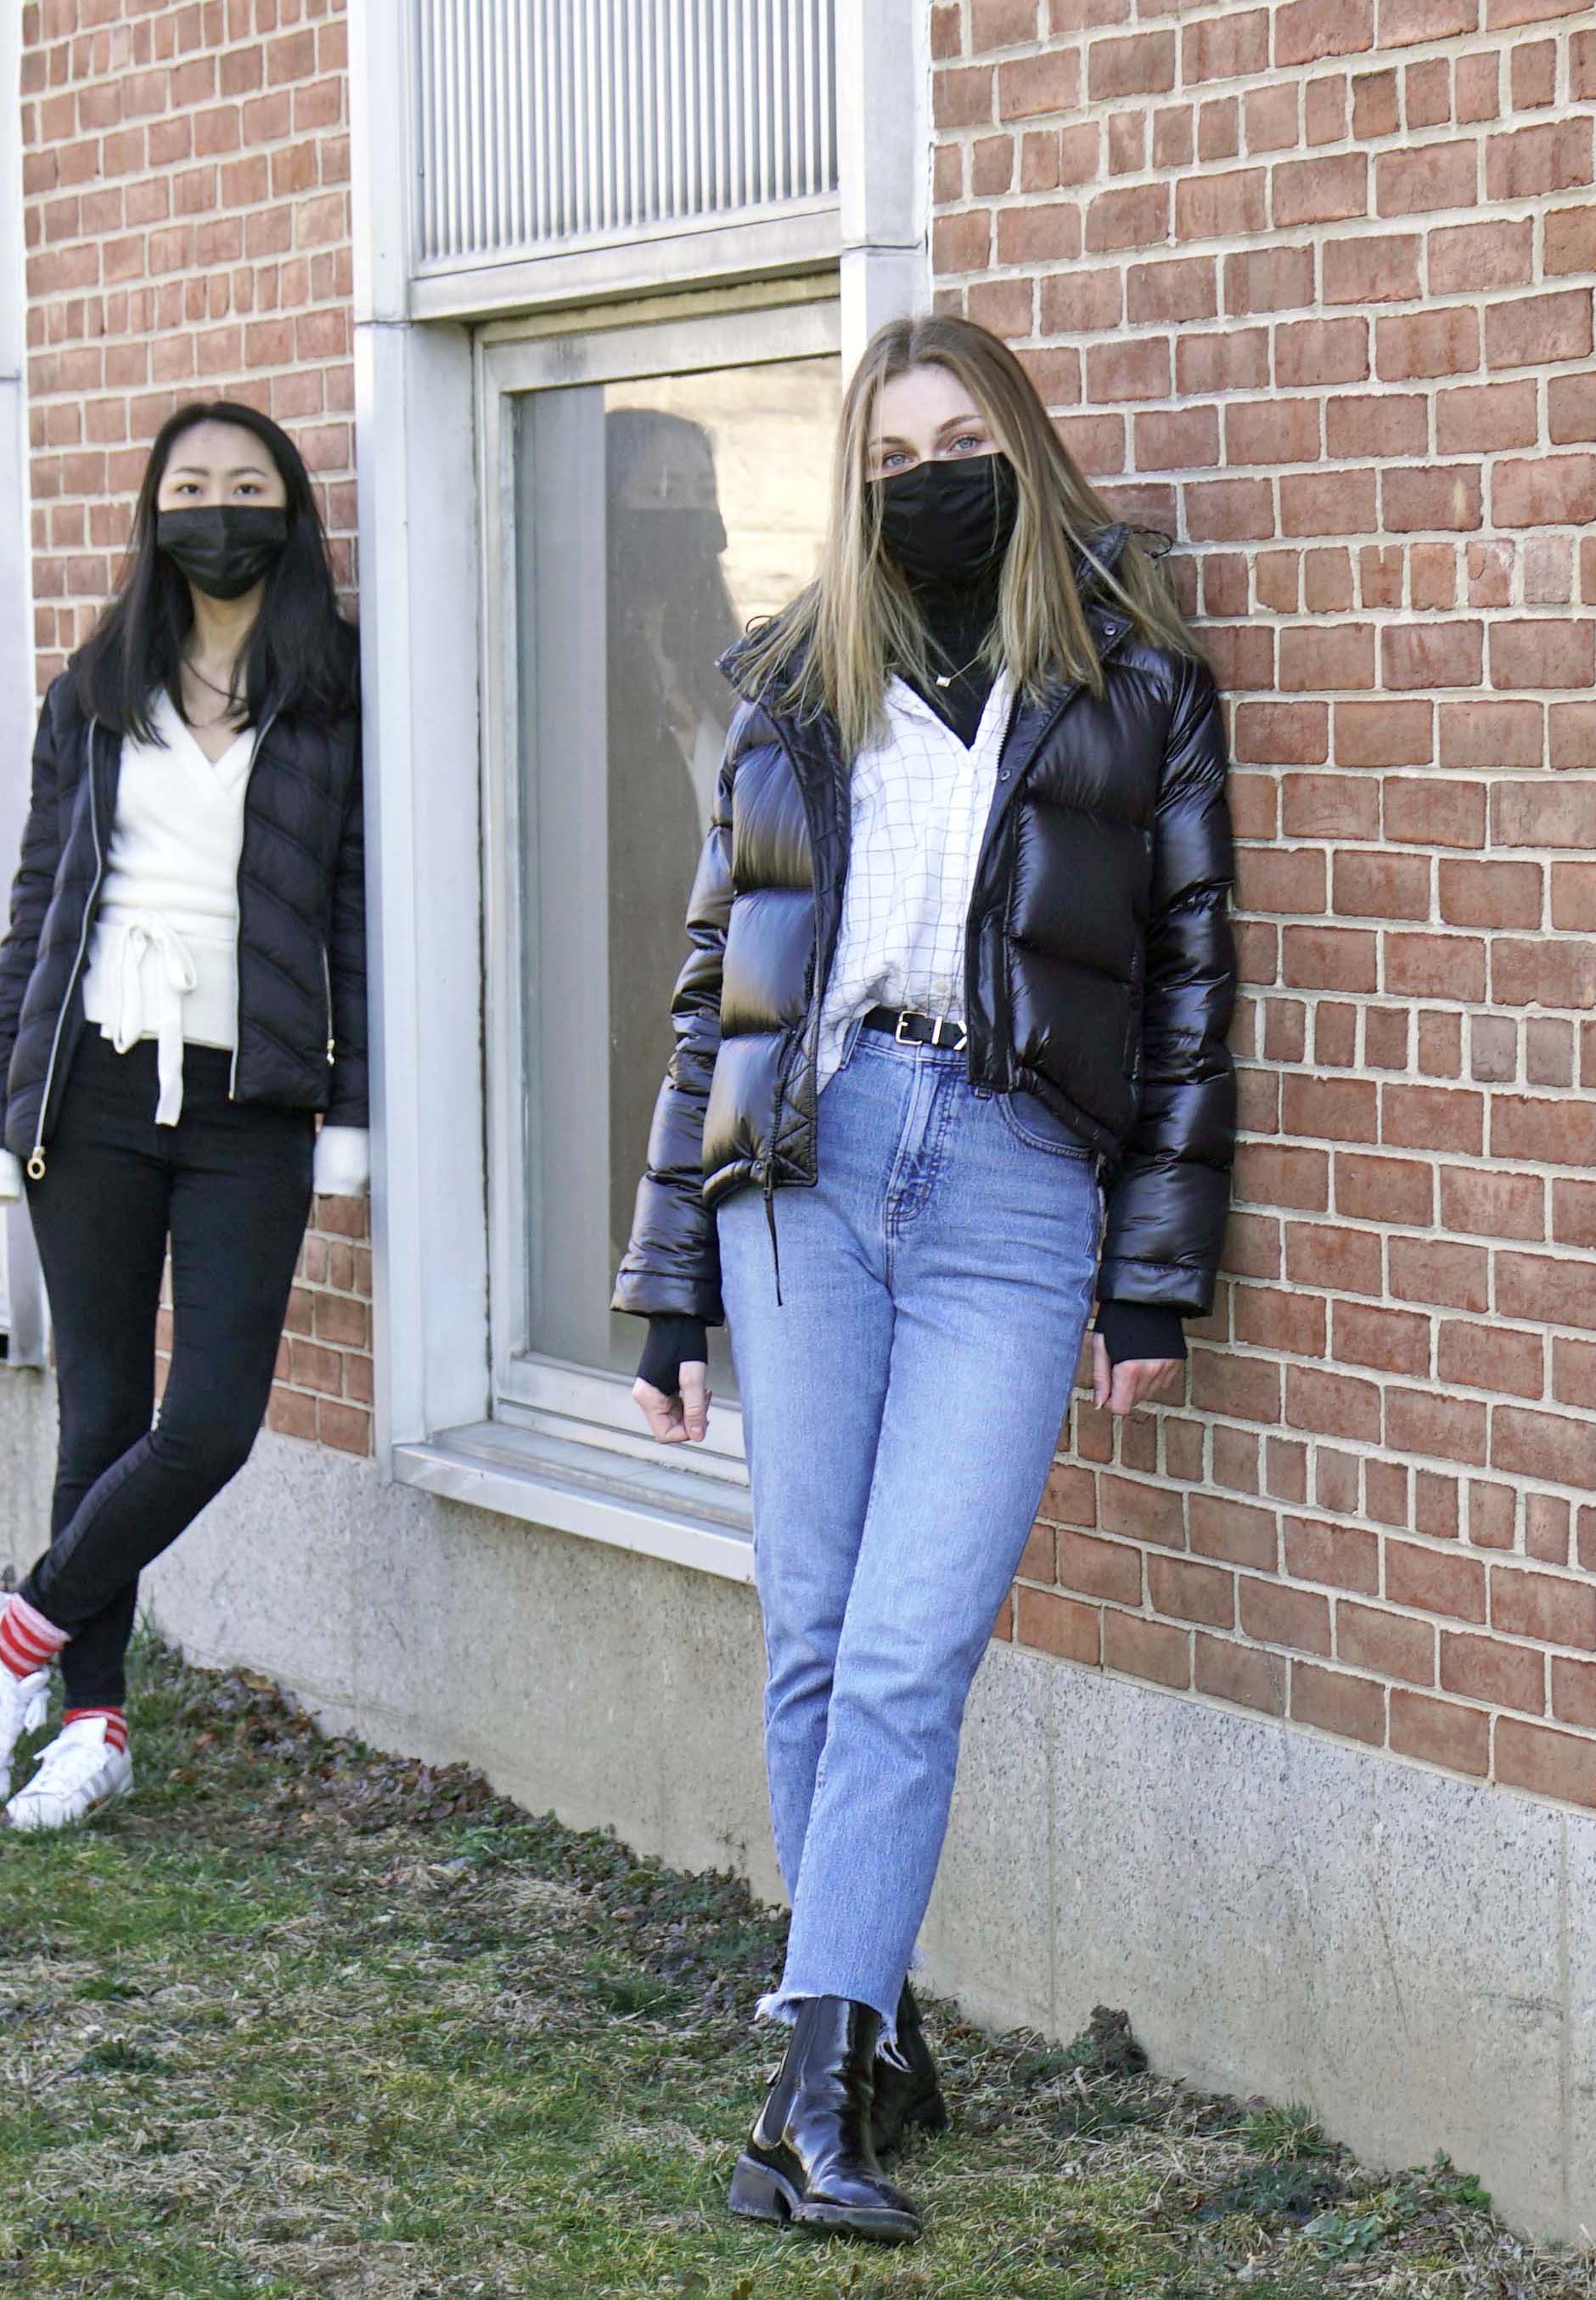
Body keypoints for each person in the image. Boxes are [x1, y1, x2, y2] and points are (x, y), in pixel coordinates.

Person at [614, 314, 1234, 2246]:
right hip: (800, 1172)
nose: (924, 478)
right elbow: (711, 982)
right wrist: (663, 1282)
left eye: (955, 440)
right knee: (811, 1630)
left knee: (903, 1652)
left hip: (1012, 1180)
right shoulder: (799, 684)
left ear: (1021, 450)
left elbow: (1196, 990)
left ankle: (808, 2077)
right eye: (887, 458)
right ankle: (842, 2060)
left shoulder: (1131, 686)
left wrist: (1152, 1276)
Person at [0, 402, 368, 1834]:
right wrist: (0, 1100)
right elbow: (39, 909)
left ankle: (9, 1631)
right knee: (101, 1408)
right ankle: (92, 1720)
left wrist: (347, 1099)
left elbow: (353, 916)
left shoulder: (333, 689)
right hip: (98, 1080)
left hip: (252, 1094)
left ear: (289, 512)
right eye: (189, 485)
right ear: (152, 511)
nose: (217, 507)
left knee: (210, 1419)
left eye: (246, 486)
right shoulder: (94, 684)